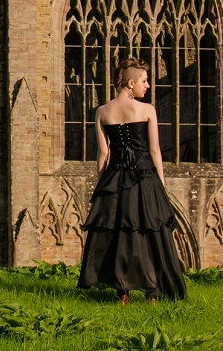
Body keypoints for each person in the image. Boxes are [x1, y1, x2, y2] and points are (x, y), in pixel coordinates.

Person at [77, 56, 187, 304]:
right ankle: (152, 292)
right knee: (149, 233)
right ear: (130, 84)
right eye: (144, 81)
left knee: (118, 236)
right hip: (144, 177)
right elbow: (155, 150)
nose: (147, 86)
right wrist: (160, 180)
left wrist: (102, 183)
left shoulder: (102, 111)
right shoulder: (147, 110)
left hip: (114, 178)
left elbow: (103, 152)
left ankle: (122, 292)